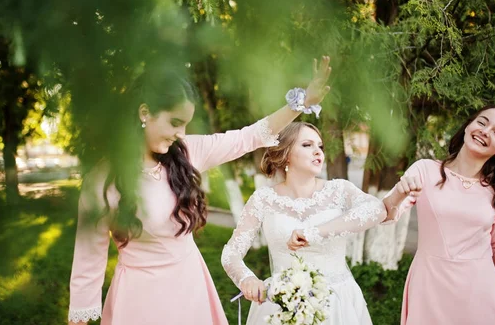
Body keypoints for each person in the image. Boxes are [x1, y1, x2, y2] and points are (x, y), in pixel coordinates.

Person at [67, 57, 332, 324]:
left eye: (185, 125)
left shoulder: (188, 153)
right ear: (144, 112)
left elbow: (248, 136)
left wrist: (303, 103)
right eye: (174, 123)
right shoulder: (101, 180)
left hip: (191, 288)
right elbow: (88, 260)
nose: (180, 133)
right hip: (139, 298)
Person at [221, 121, 385, 325]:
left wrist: (315, 232)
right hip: (282, 305)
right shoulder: (263, 198)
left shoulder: (339, 190)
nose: (318, 151)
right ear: (286, 153)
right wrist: (246, 278)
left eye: (320, 146)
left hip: (335, 305)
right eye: (307, 145)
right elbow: (231, 253)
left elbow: (377, 209)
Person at [382, 104, 495, 325]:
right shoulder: (424, 170)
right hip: (429, 290)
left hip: (481, 296)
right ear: (469, 124)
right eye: (482, 122)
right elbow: (387, 214)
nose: (485, 132)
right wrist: (398, 195)